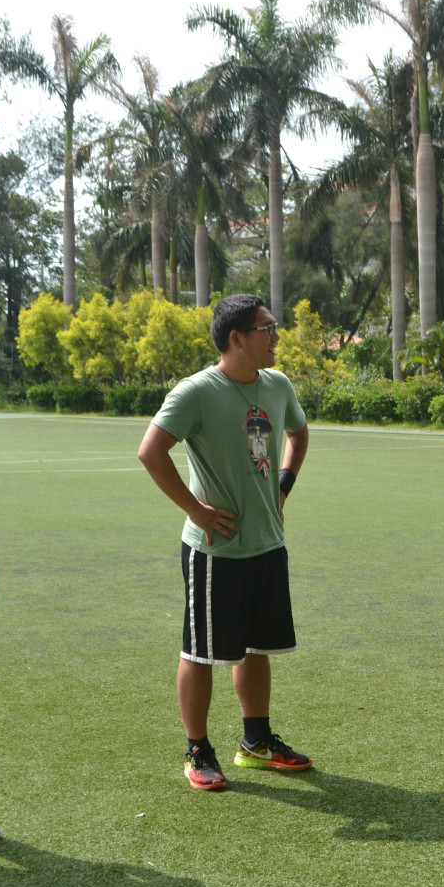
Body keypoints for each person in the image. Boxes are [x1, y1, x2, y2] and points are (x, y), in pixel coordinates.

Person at [137, 294, 311, 790]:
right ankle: (197, 749)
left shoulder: (277, 384)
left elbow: (299, 434)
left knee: (256, 646)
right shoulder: (196, 391)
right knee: (201, 651)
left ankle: (256, 741)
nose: (276, 335)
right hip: (215, 549)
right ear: (236, 338)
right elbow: (151, 451)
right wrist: (195, 510)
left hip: (267, 543)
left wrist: (282, 487)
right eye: (266, 328)